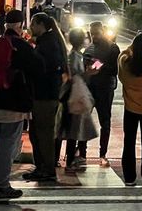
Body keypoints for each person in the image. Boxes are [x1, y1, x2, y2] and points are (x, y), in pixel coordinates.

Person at [0, 9, 41, 203]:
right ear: (20, 25)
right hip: (13, 103)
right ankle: (1, 185)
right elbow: (38, 68)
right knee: (8, 145)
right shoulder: (21, 46)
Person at [24, 12, 67, 183]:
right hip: (45, 94)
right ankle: (42, 167)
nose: (31, 27)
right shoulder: (48, 42)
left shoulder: (48, 44)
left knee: (43, 134)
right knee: (39, 133)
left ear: (41, 25)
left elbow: (45, 69)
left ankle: (46, 168)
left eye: (33, 24)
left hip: (45, 95)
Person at [118, 32, 142, 186]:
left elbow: (123, 54)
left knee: (129, 142)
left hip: (130, 108)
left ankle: (129, 177)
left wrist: (131, 49)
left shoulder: (125, 63)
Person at [58, 27, 98, 173]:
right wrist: (90, 73)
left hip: (69, 95)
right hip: (75, 96)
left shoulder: (72, 55)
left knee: (68, 128)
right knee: (73, 129)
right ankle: (70, 160)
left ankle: (68, 158)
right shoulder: (75, 56)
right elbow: (77, 76)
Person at [84, 20, 120, 166]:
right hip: (91, 87)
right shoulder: (90, 47)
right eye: (92, 34)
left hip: (105, 88)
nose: (94, 37)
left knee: (105, 121)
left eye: (96, 34)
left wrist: (97, 64)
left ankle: (103, 153)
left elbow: (114, 69)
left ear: (102, 32)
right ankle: (82, 151)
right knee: (85, 119)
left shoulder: (113, 48)